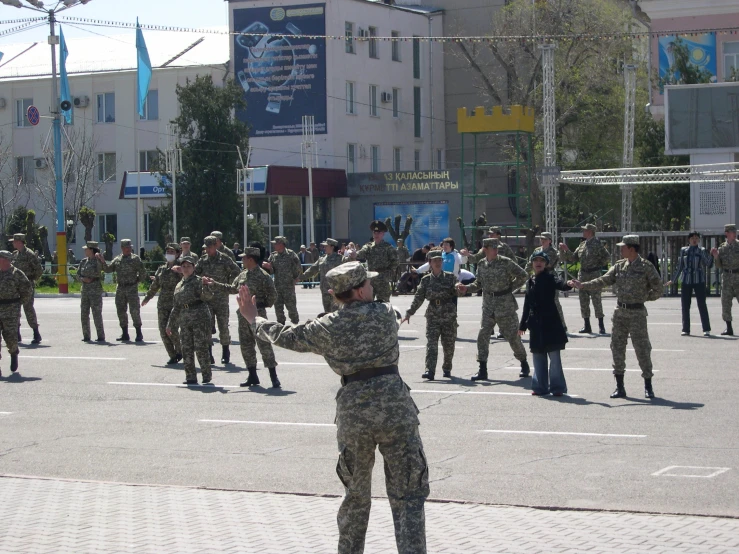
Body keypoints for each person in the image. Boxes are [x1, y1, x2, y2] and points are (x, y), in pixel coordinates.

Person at [237, 261, 429, 554]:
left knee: (356, 497)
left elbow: (287, 335)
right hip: (396, 410)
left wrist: (254, 319)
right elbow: (397, 312)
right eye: (369, 283)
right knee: (408, 498)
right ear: (361, 291)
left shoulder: (326, 326)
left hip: (354, 414)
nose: (373, 286)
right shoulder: (385, 314)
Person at [569, 235, 663, 399]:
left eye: (623, 247)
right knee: (617, 348)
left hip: (637, 314)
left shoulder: (646, 267)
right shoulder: (619, 266)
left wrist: (644, 297)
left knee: (642, 349)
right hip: (620, 313)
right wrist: (583, 285)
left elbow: (658, 289)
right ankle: (620, 387)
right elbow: (604, 280)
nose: (620, 250)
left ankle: (648, 386)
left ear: (632, 249)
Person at [462, 238, 531, 380]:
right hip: (488, 305)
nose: (496, 250)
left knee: (513, 337)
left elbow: (523, 275)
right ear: (485, 249)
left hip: (505, 305)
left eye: (497, 247)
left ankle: (524, 362)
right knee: (483, 336)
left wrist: (511, 287)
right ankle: (482, 369)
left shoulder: (505, 262)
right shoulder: (481, 264)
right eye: (493, 248)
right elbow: (478, 283)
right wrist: (466, 288)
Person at [214, 247, 280, 388]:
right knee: (246, 346)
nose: (242, 260)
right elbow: (232, 288)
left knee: (264, 345)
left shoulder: (263, 275)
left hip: (258, 315)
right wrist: (213, 284)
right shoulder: (242, 274)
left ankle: (273, 376)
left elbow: (273, 295)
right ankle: (252, 375)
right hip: (243, 315)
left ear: (250, 259)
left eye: (244, 258)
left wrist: (261, 305)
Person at [402, 249, 462, 380]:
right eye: (435, 261)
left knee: (448, 344)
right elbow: (419, 298)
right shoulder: (426, 280)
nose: (438, 263)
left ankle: (447, 367)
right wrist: (409, 313)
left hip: (448, 315)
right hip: (433, 314)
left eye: (439, 260)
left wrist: (459, 288)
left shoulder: (450, 277)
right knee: (432, 344)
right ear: (430, 263)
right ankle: (430, 370)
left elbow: (458, 291)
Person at [519, 251, 573, 396]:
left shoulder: (550, 277)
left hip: (551, 322)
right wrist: (522, 325)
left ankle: (557, 388)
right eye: (535, 260)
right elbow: (527, 304)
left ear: (546, 264)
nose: (538, 263)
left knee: (554, 358)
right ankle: (540, 387)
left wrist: (568, 284)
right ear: (531, 263)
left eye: (542, 260)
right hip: (536, 324)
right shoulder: (530, 281)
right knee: (538, 357)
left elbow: (560, 284)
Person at [167, 255, 215, 386]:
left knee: (200, 347)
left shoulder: (199, 281)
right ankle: (190, 376)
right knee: (186, 348)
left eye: (189, 266)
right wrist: (170, 324)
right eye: (183, 266)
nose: (186, 268)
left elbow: (208, 297)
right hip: (185, 319)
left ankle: (206, 375)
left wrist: (205, 286)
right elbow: (176, 306)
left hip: (199, 317)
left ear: (194, 267)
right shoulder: (179, 284)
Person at [194, 235, 241, 364]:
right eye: (206, 248)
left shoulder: (225, 259)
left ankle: (225, 352)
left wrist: (229, 284)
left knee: (223, 326)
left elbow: (237, 271)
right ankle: (209, 353)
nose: (207, 250)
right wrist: (200, 281)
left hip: (221, 298)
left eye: (209, 247)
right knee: (207, 327)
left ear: (216, 246)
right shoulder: (203, 260)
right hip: (207, 298)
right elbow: (194, 274)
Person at [559, 223, 610, 334]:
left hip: (594, 275)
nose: (583, 232)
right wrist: (566, 249)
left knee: (596, 300)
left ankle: (601, 326)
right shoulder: (582, 244)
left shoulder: (598, 244)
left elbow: (607, 257)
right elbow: (573, 258)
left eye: (585, 230)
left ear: (590, 232)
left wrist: (598, 265)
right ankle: (587, 326)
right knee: (583, 301)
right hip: (582, 275)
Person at [98, 239, 147, 342]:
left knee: (134, 311)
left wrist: (137, 281)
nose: (128, 249)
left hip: (132, 288)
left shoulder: (135, 259)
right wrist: (102, 261)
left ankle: (139, 333)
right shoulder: (117, 259)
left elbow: (143, 272)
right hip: (120, 288)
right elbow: (108, 269)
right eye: (126, 247)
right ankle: (125, 333)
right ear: (122, 248)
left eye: (130, 247)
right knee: (121, 311)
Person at [142, 243, 184, 364]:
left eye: (172, 252)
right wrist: (147, 298)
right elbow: (155, 285)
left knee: (172, 330)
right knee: (162, 330)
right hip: (163, 304)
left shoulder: (181, 267)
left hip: (176, 303)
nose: (169, 254)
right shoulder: (161, 269)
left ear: (177, 254)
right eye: (168, 252)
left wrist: (181, 271)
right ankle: (173, 355)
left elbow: (189, 279)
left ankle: (180, 350)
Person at [666, 231, 713, 336]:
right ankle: (686, 329)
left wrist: (712, 255)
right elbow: (680, 266)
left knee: (702, 304)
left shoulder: (701, 250)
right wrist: (673, 280)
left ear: (699, 240)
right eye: (692, 238)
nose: (694, 240)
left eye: (696, 238)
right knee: (685, 305)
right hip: (686, 280)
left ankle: (706, 329)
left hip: (698, 280)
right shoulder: (684, 251)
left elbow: (708, 264)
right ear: (689, 240)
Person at [524, 232, 567, 332]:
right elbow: (530, 263)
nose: (542, 241)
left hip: (549, 278)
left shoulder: (553, 252)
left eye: (545, 239)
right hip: (537, 278)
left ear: (550, 241)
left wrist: (562, 251)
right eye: (541, 239)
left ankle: (562, 324)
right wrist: (524, 273)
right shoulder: (537, 250)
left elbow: (551, 263)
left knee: (554, 301)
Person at [0, 250, 33, 376]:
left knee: (10, 337)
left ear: (6, 260)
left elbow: (27, 290)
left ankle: (14, 353)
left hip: (11, 308)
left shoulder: (17, 273)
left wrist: (18, 304)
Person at [351, 220, 399, 302]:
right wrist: (355, 254)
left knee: (383, 306)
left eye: (378, 232)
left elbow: (395, 261)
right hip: (370, 282)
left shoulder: (388, 247)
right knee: (368, 305)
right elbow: (361, 254)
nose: (376, 235)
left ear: (383, 233)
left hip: (383, 282)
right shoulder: (368, 246)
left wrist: (388, 274)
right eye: (374, 232)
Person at [262, 236, 302, 324]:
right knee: (278, 310)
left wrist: (296, 278)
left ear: (281, 244)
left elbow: (298, 267)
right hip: (277, 287)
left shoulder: (291, 254)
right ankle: (281, 328)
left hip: (288, 287)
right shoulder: (273, 255)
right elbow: (271, 271)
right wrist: (269, 267)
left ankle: (295, 326)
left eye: (275, 244)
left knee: (292, 309)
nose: (274, 246)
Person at [11, 233, 43, 344]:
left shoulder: (29, 254)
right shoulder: (15, 254)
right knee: (15, 309)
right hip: (16, 286)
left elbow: (39, 270)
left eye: (14, 241)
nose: (13, 243)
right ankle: (17, 334)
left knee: (28, 308)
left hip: (26, 285)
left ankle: (36, 333)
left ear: (19, 242)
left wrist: (31, 280)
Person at [302, 238, 346, 313]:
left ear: (332, 247)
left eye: (326, 246)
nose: (324, 248)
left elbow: (350, 264)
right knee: (326, 313)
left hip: (335, 292)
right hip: (324, 291)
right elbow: (312, 270)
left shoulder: (340, 259)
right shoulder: (322, 259)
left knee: (335, 313)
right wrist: (300, 277)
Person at [711, 223, 738, 336]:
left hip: (738, 276)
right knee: (726, 303)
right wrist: (716, 256)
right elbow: (718, 265)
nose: (735, 234)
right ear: (727, 233)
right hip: (727, 278)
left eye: (735, 232)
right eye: (732, 232)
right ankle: (729, 328)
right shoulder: (722, 248)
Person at [77, 241, 105, 342]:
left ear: (92, 250)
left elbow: (99, 273)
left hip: (95, 290)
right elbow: (77, 274)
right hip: (85, 290)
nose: (85, 251)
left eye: (86, 249)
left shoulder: (97, 261)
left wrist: (90, 278)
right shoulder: (83, 261)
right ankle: (86, 335)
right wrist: (82, 279)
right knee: (84, 313)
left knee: (96, 313)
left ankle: (100, 336)